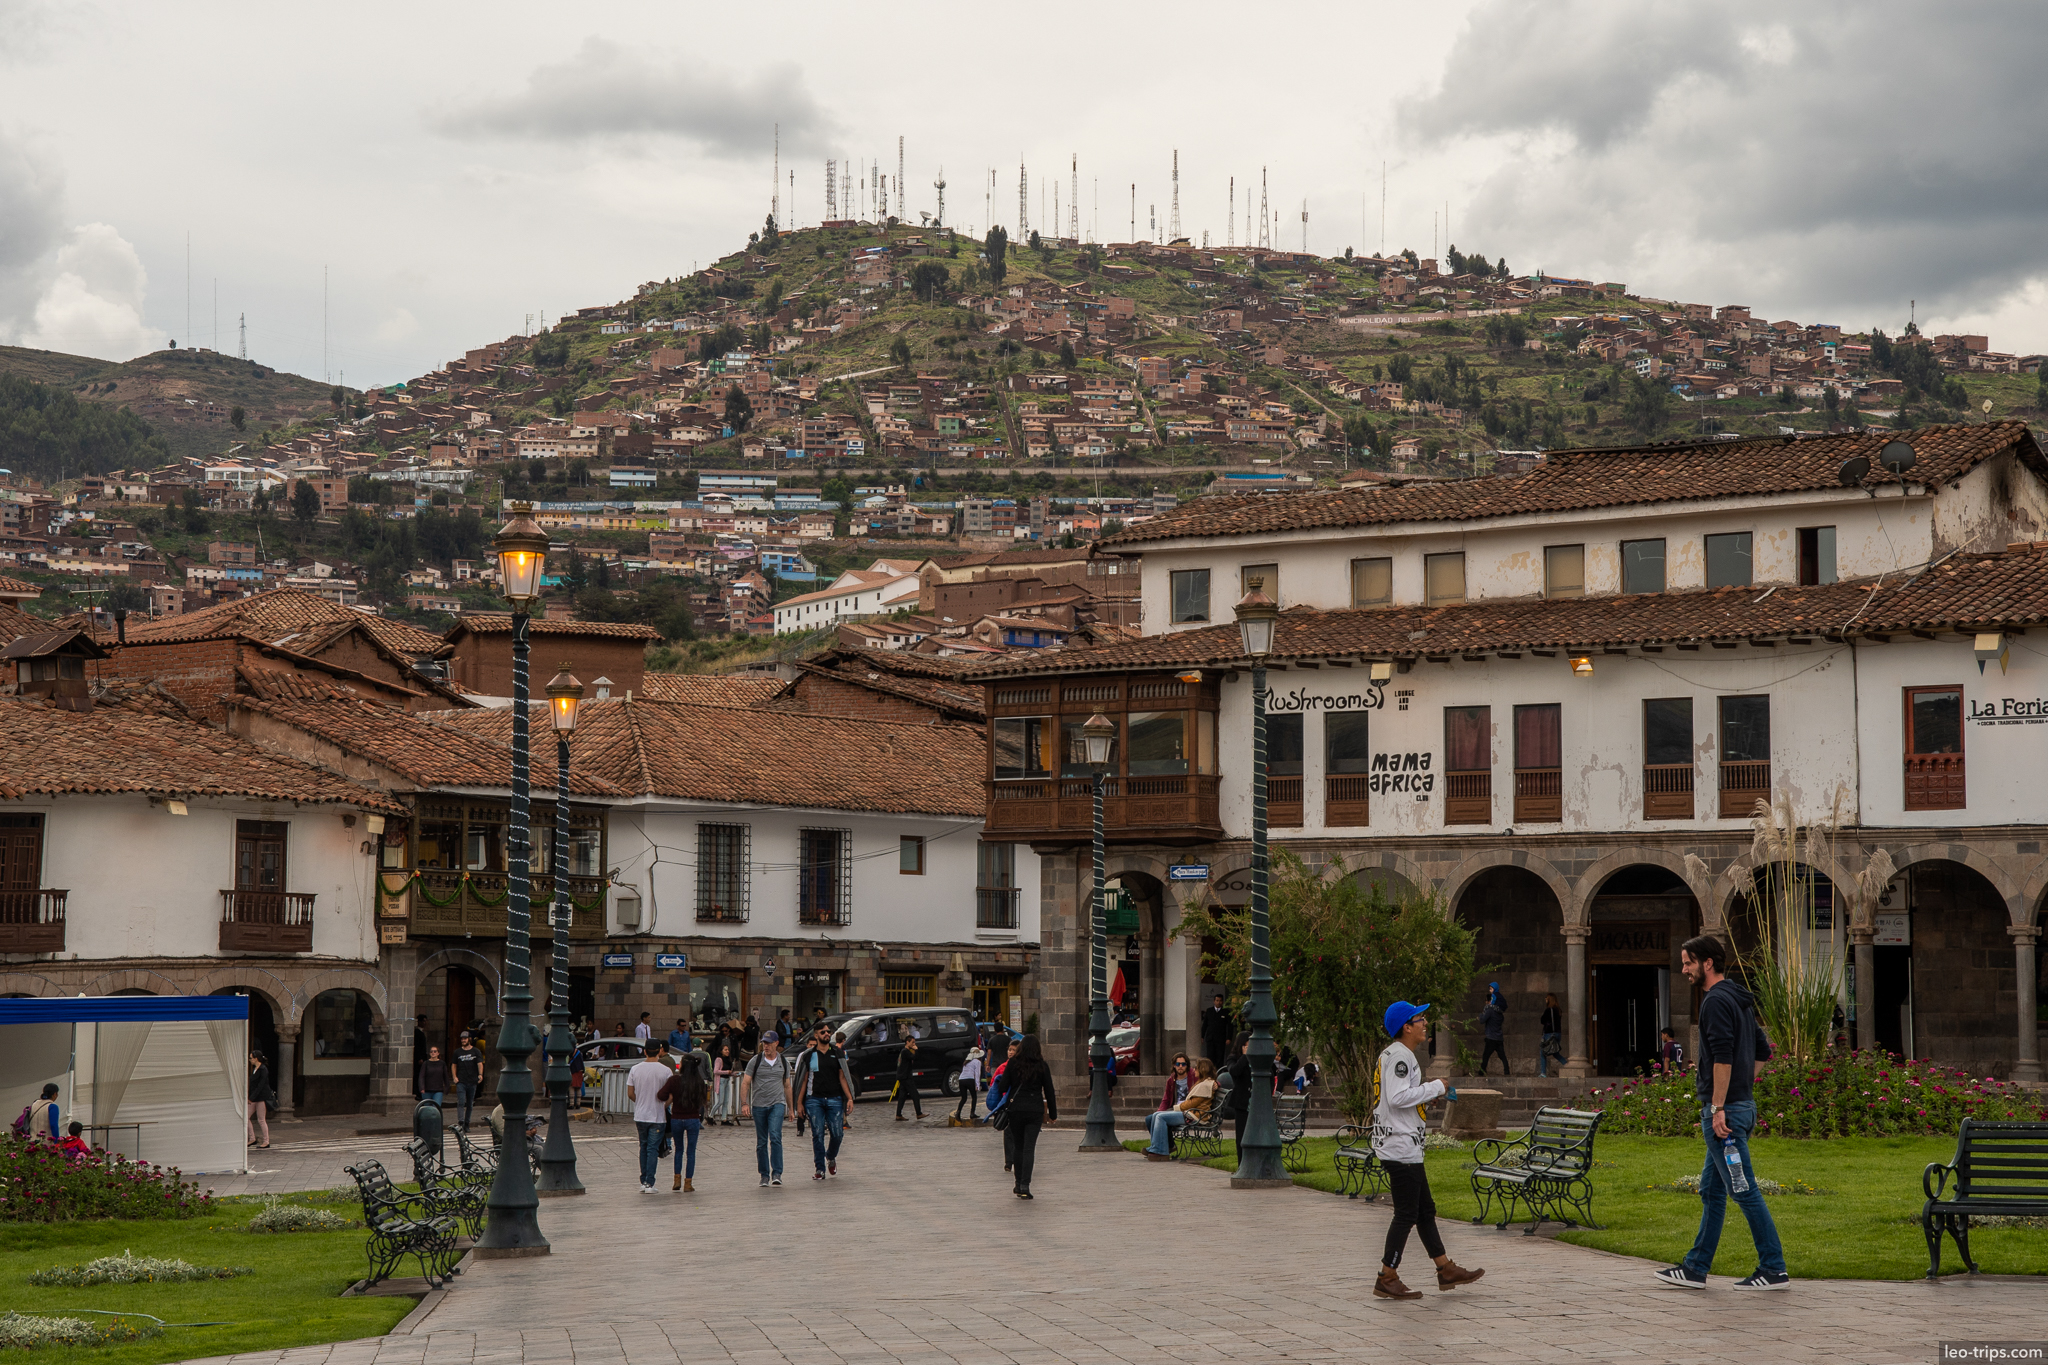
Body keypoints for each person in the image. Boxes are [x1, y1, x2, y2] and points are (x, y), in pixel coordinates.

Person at [1656, 936, 1789, 1291]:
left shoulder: (1715, 1001)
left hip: (1724, 1114)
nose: (1684, 969)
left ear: (1707, 963)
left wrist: (1718, 1106)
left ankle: (1774, 1268)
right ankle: (1696, 1267)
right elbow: (1763, 1050)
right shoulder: (1738, 998)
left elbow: (1724, 1056)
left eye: (1688, 963)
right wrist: (1742, 1088)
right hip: (1738, 1106)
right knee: (1711, 1191)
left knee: (1743, 1190)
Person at [1372, 1001, 1485, 1299]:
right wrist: (1435, 1087)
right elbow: (1397, 1098)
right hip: (1401, 1146)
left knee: (1424, 1211)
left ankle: (1444, 1268)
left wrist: (1422, 1096)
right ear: (1406, 1027)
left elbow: (1399, 1097)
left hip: (1399, 1143)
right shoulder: (1401, 1056)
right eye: (1420, 1018)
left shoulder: (1392, 1054)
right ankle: (1387, 1274)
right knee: (1407, 1213)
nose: (1425, 1023)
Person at [998, 1035, 1057, 1198]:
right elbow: (1049, 1091)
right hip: (1034, 1110)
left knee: (1018, 1146)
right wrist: (1053, 1113)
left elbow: (1002, 1086)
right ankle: (1025, 1185)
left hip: (1015, 1109)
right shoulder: (1042, 1065)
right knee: (1029, 1147)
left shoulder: (1012, 1064)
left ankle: (1017, 1184)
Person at [794, 1024, 854, 1178]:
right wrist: (799, 1103)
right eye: (823, 1032)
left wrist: (849, 1098)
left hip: (834, 1098)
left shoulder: (837, 1052)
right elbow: (803, 1080)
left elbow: (843, 1077)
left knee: (837, 1133)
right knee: (818, 1133)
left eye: (829, 1032)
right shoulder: (809, 1055)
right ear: (816, 1035)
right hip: (814, 1099)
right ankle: (819, 1168)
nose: (827, 1034)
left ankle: (831, 1156)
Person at [740, 1029, 792, 1187]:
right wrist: (744, 1103)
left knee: (775, 1136)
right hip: (759, 1106)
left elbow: (787, 1086)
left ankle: (777, 1172)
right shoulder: (755, 1061)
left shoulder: (783, 1062)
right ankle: (764, 1175)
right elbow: (746, 1082)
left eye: (769, 1043)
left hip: (777, 1103)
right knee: (762, 1141)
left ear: (777, 1043)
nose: (766, 1046)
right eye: (764, 1043)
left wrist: (791, 1109)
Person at [1142, 1056, 1216, 1159]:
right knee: (1155, 1115)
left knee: (1160, 1117)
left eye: (1183, 1064)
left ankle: (1160, 1150)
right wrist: (1161, 1110)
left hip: (1193, 1115)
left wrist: (1178, 1107)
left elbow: (1192, 1103)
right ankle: (1161, 1147)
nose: (1194, 1070)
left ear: (1202, 1070)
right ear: (1174, 1066)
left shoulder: (1204, 1083)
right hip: (1188, 1112)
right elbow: (1166, 1100)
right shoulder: (1173, 1080)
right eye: (1178, 1064)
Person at [658, 1048, 708, 1192]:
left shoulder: (674, 1080)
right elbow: (702, 1102)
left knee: (679, 1150)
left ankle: (676, 1179)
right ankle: (688, 1183)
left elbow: (661, 1095)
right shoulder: (698, 1082)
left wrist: (672, 1096)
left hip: (676, 1118)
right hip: (693, 1119)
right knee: (691, 1151)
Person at [626, 1041, 671, 1194]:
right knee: (652, 1149)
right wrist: (663, 1105)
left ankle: (643, 1180)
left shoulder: (635, 1069)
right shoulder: (665, 1071)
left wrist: (640, 1102)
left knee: (643, 1147)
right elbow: (671, 1095)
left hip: (640, 1114)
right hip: (657, 1115)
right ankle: (649, 1182)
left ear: (645, 1051)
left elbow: (630, 1093)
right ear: (659, 1051)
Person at [987, 1038, 1021, 1172]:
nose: (1010, 1052)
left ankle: (1018, 1158)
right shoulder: (1002, 1068)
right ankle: (1009, 1161)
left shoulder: (1023, 1067)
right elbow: (994, 1086)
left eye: (1014, 1050)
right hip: (1006, 1105)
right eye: (1009, 1050)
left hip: (1019, 1104)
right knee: (1008, 1133)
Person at [1223, 1032, 1252, 1152]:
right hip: (1241, 1101)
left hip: (1255, 1099)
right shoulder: (1233, 1058)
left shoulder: (1255, 1058)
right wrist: (1244, 1057)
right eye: (1247, 1045)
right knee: (1241, 1135)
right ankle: (1242, 1163)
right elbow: (1234, 1071)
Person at [452, 1033, 484, 1130]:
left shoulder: (476, 1051)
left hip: (472, 1081)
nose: (463, 1040)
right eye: (462, 1039)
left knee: (470, 1103)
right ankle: (461, 1121)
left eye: (465, 1038)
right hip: (461, 1081)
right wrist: (454, 1076)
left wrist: (480, 1074)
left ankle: (467, 1123)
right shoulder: (457, 1052)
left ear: (469, 1039)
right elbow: (453, 1065)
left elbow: (480, 1063)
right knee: (461, 1101)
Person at [1480, 984, 1509, 1076]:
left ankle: (1481, 1072)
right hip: (1499, 1037)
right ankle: (1507, 1071)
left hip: (1491, 1037)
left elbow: (1482, 1020)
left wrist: (1481, 1014)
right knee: (1502, 1056)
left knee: (1486, 1056)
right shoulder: (1500, 1013)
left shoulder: (1490, 1011)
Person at [248, 1051, 275, 1149]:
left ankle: (266, 1141)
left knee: (261, 1119)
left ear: (256, 1058)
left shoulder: (263, 1069)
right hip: (255, 1097)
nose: (250, 1060)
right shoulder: (255, 1069)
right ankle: (252, 1138)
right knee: (246, 1117)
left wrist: (251, 1097)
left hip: (262, 1097)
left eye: (251, 1058)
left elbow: (261, 1085)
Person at [893, 1037, 924, 1120]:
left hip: (902, 1076)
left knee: (902, 1096)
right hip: (906, 1077)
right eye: (912, 1042)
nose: (914, 1044)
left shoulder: (903, 1052)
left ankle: (898, 1114)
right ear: (907, 1042)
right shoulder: (905, 1052)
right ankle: (919, 1113)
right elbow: (915, 1057)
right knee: (915, 1095)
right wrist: (916, 1050)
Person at [954, 1046, 985, 1124]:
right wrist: (977, 1085)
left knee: (964, 1098)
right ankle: (972, 1113)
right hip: (970, 1080)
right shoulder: (977, 1062)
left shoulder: (966, 1061)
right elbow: (977, 1074)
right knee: (974, 1097)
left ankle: (958, 1112)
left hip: (961, 1080)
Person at [711, 1041, 739, 1125]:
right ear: (721, 1051)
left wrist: (733, 1074)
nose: (727, 1051)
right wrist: (727, 1072)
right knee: (720, 1101)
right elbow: (716, 1071)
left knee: (726, 1101)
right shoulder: (719, 1059)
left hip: (726, 1080)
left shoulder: (728, 1060)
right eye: (725, 1050)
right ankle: (710, 1115)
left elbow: (729, 1071)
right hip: (721, 1081)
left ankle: (724, 1118)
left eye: (728, 1050)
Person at [1200, 993, 1231, 1068]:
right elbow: (1205, 1025)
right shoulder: (1209, 1011)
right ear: (1214, 1001)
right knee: (1210, 1057)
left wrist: (1229, 1038)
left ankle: (1219, 1073)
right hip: (1210, 1038)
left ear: (1222, 1002)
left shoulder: (1226, 1012)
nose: (1218, 1002)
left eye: (1220, 1001)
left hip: (1220, 1039)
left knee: (1220, 1057)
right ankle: (1210, 1072)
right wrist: (1202, 1036)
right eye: (1217, 1000)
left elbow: (1230, 1026)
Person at [1539, 994, 1564, 1078]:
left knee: (1543, 1053)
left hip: (1549, 1034)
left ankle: (1543, 1073)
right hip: (1557, 1033)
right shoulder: (1558, 1010)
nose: (1545, 999)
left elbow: (1542, 1020)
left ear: (1549, 999)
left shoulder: (1548, 1010)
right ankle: (1566, 1064)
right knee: (1555, 1053)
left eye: (1546, 998)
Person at [412, 1014, 429, 1099]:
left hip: (423, 1058)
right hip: (419, 1059)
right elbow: (418, 1046)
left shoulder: (421, 1032)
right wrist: (420, 1058)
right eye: (423, 1021)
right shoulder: (417, 1033)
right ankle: (417, 1092)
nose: (425, 1023)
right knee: (418, 1075)